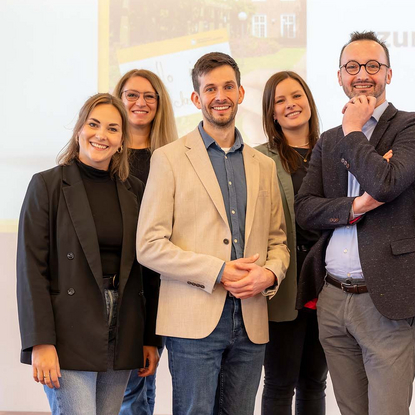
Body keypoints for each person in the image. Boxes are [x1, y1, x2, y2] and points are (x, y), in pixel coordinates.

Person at [294, 31, 415, 415]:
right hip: (332, 298)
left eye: (373, 66)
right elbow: (305, 209)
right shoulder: (328, 140)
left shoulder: (414, 127)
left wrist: (354, 130)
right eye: (352, 67)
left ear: (388, 74)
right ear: (339, 76)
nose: (362, 74)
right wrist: (357, 205)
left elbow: (385, 184)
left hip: (388, 299)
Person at [136, 52, 290, 415]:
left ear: (240, 93)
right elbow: (149, 246)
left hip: (251, 319)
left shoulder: (264, 165)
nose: (220, 96)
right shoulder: (168, 158)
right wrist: (217, 271)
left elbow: (278, 241)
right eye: (210, 89)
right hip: (192, 320)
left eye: (227, 87)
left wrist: (270, 274)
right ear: (196, 98)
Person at [17, 93, 159, 414]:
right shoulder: (47, 185)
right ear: (79, 130)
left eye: (112, 128)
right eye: (93, 125)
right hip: (68, 330)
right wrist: (40, 341)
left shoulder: (135, 189)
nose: (101, 135)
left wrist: (149, 338)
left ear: (121, 141)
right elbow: (31, 270)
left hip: (124, 327)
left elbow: (146, 271)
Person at [255, 71, 327, 415]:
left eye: (296, 96)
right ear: (271, 112)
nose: (290, 105)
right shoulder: (258, 159)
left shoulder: (333, 150)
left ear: (308, 101)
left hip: (328, 281)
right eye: (280, 100)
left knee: (315, 381)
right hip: (284, 283)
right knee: (280, 382)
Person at [113, 69, 178, 415]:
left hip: (154, 290)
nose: (140, 102)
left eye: (149, 96)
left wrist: (151, 334)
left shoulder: (172, 160)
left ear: (160, 103)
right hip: (110, 291)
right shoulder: (102, 158)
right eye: (132, 95)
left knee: (136, 392)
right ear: (118, 100)